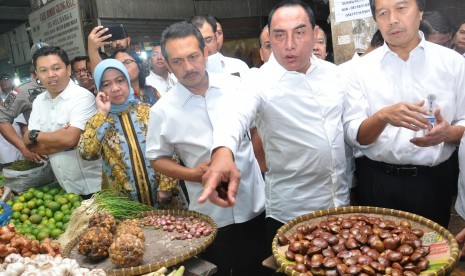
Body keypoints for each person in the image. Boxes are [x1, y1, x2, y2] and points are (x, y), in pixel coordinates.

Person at [200, 0, 349, 250]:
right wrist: (222, 154)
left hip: (340, 207)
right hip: (292, 215)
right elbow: (234, 115)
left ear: (315, 35)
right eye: (279, 35)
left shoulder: (334, 75)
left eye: (299, 33)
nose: (289, 45)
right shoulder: (259, 81)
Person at [145, 21, 266, 276]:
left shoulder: (236, 88)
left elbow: (255, 129)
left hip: (254, 204)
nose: (188, 68)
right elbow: (156, 157)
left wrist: (260, 167)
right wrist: (193, 175)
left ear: (206, 53)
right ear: (166, 64)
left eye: (193, 57)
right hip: (208, 216)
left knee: (257, 269)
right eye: (177, 61)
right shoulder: (162, 111)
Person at [343, 0, 465, 227]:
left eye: (401, 8)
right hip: (377, 182)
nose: (392, 20)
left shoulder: (454, 64)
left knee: (432, 256)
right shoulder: (359, 70)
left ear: (420, 12)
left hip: (432, 183)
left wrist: (449, 133)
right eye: (382, 13)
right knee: (377, 257)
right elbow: (354, 134)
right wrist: (382, 117)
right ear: (376, 20)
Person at [78, 59, 182, 207]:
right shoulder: (99, 120)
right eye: (106, 84)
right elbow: (87, 153)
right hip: (124, 206)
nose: (115, 88)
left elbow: (170, 148)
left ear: (127, 82)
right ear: (99, 90)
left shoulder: (148, 112)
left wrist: (166, 186)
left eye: (120, 81)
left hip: (162, 199)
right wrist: (102, 114)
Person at [23, 46, 102, 198]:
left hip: (94, 186)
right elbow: (30, 145)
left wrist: (34, 135)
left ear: (68, 69)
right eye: (43, 70)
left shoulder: (82, 97)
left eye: (56, 68)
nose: (50, 75)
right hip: (64, 187)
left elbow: (70, 138)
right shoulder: (39, 101)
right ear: (37, 74)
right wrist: (65, 144)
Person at [0, 42, 49, 163]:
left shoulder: (69, 85)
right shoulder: (20, 91)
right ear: (34, 63)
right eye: (40, 57)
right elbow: (2, 118)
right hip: (43, 154)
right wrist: (23, 148)